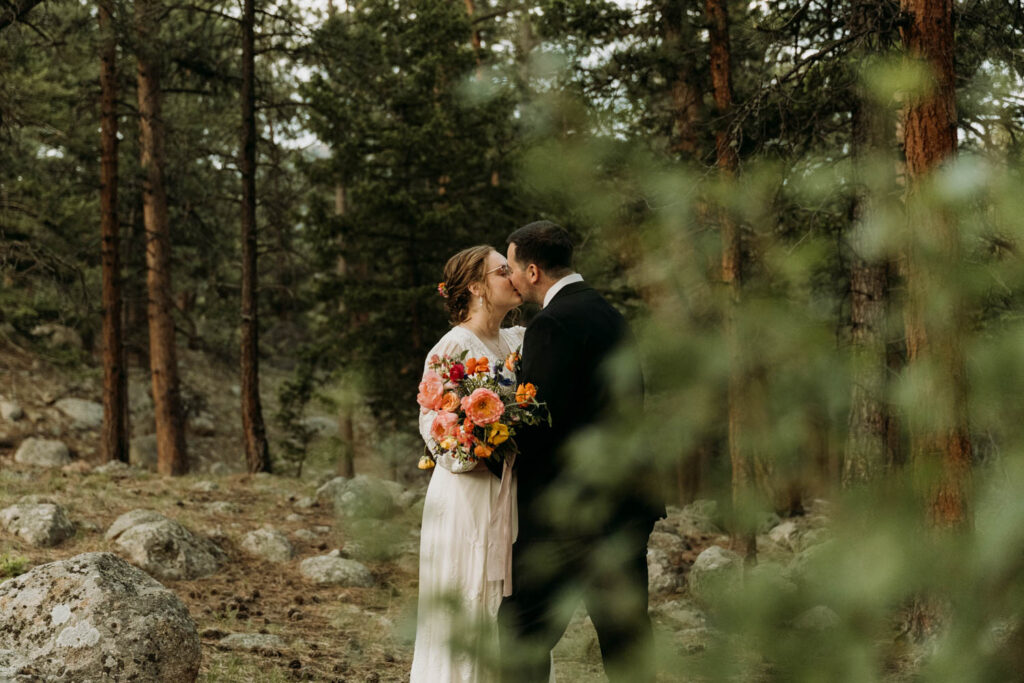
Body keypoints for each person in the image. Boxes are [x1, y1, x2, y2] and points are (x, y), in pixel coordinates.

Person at [498, 220, 666, 683]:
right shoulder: (608, 313)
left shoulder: (552, 324)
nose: (509, 277)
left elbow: (540, 424)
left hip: (572, 516)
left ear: (532, 271)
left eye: (510, 267)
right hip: (626, 502)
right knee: (626, 639)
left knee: (521, 631)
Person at [411, 245, 527, 683]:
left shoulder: (517, 340)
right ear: (477, 287)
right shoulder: (453, 347)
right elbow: (433, 424)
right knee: (470, 594)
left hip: (510, 491)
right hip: (468, 495)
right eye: (503, 271)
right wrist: (479, 446)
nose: (513, 276)